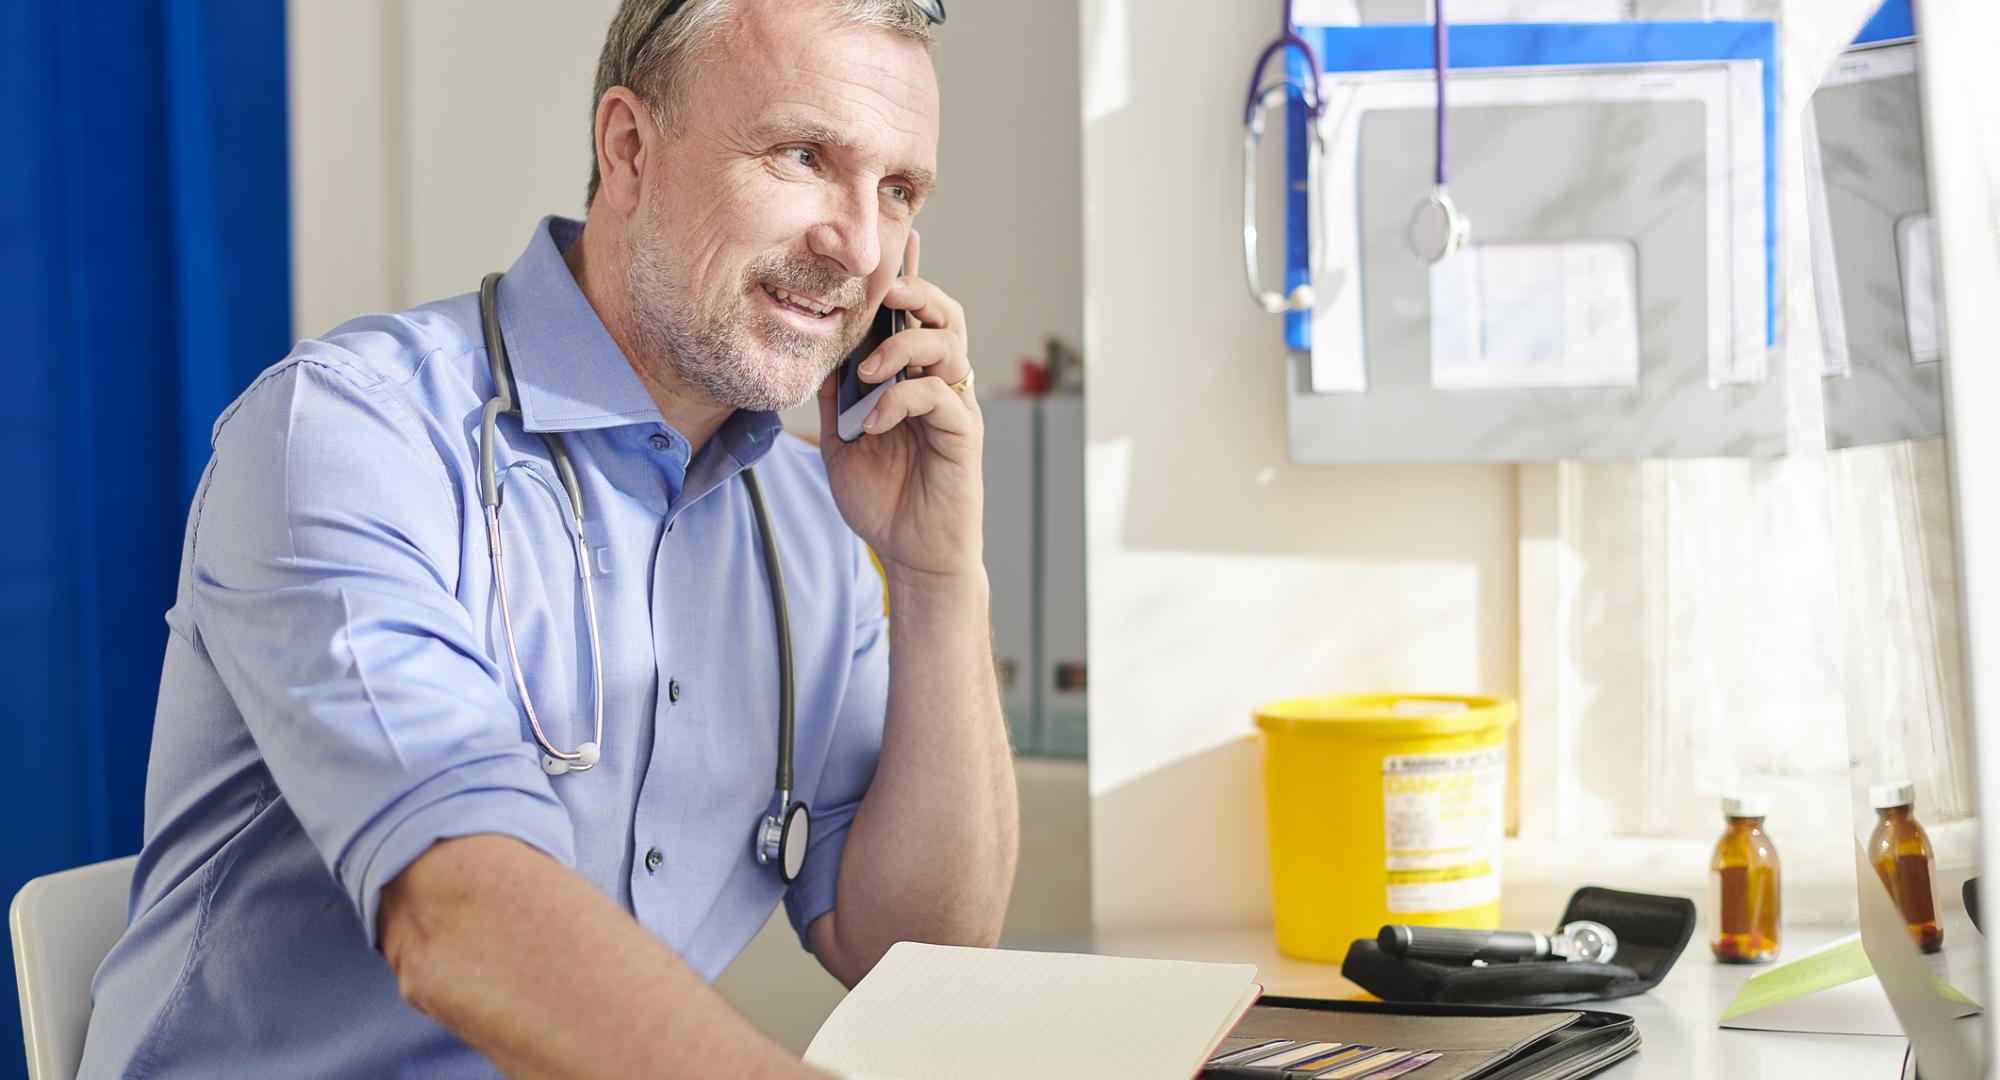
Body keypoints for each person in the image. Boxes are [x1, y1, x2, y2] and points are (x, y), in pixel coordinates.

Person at [77, 0, 1017, 1075]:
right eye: (803, 156)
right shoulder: (351, 433)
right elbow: (457, 912)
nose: (857, 245)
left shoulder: (806, 517)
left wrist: (938, 574)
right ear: (628, 149)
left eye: (898, 190)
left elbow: (918, 952)